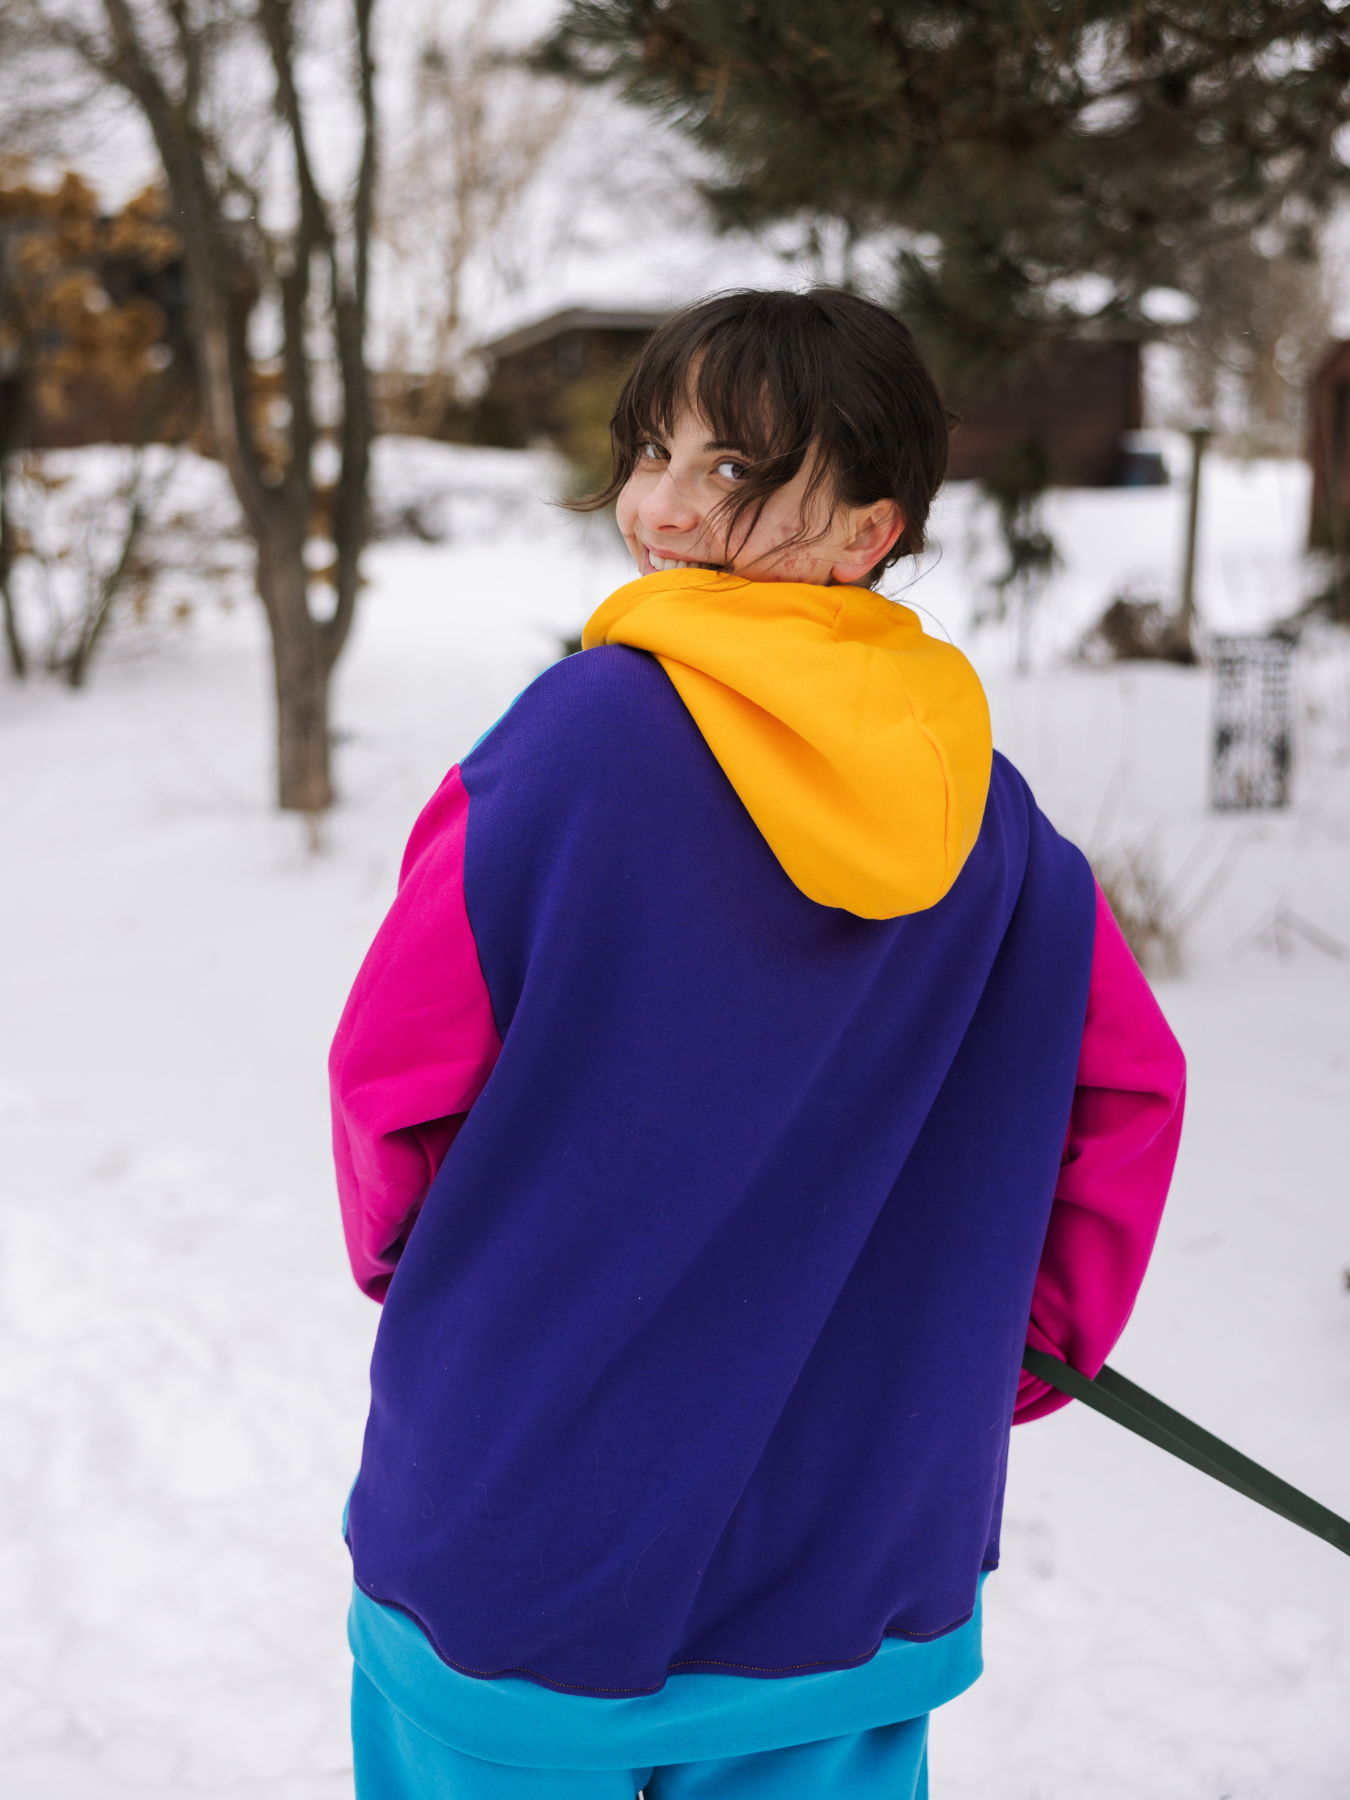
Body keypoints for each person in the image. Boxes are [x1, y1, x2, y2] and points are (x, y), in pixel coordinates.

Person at [330, 288, 1186, 1799]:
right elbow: (1123, 1095)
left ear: (868, 526)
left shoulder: (575, 743)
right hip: (854, 1538)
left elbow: (393, 1077)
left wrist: (452, 1292)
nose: (659, 502)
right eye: (651, 448)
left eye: (731, 469)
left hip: (536, 1513)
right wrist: (1006, 1348)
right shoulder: (987, 812)